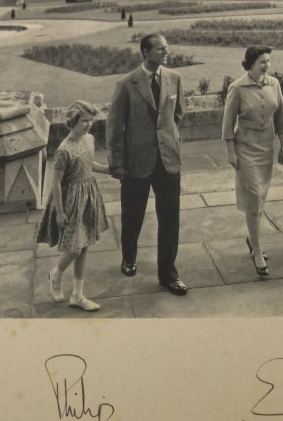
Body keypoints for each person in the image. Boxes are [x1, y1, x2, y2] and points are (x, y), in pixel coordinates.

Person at [106, 33, 187, 296]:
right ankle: (129, 257)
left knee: (170, 220)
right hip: (135, 163)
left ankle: (168, 274)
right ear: (145, 52)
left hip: (167, 162)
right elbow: (114, 126)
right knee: (132, 216)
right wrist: (117, 162)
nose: (166, 52)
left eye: (167, 48)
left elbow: (177, 115)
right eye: (160, 49)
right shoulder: (126, 83)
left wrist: (170, 141)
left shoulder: (174, 79)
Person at [222, 45, 283, 277]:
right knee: (252, 196)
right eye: (262, 61)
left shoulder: (275, 84)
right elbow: (227, 123)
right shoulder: (237, 87)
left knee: (260, 197)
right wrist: (231, 152)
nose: (267, 66)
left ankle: (252, 239)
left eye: (268, 61)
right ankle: (258, 251)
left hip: (266, 147)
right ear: (250, 63)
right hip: (245, 147)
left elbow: (280, 116)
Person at [35, 101, 110, 311]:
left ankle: (77, 295)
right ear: (73, 122)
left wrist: (107, 169)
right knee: (74, 247)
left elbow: (88, 164)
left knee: (84, 246)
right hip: (70, 201)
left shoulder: (89, 139)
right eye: (84, 121)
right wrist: (60, 212)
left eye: (90, 120)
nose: (88, 125)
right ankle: (56, 274)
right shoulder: (63, 150)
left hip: (88, 195)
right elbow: (56, 183)